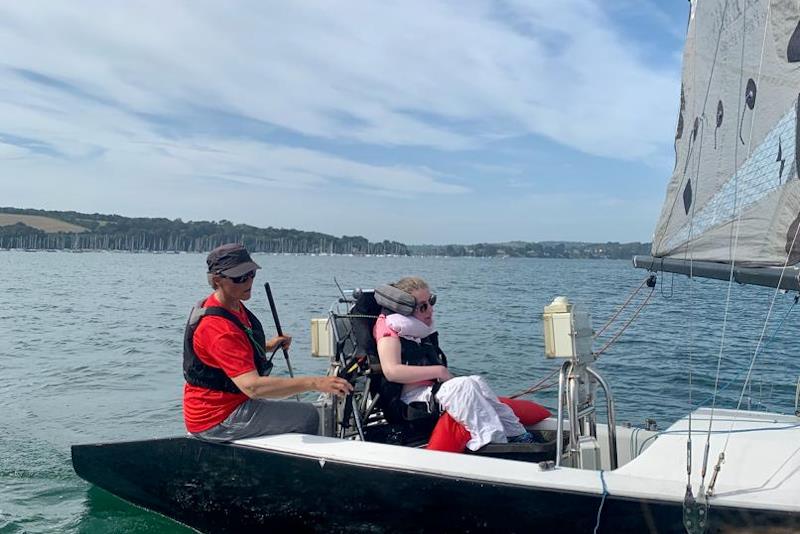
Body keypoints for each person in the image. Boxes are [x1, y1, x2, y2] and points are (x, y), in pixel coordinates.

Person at [183, 243, 352, 442]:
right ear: (218, 280)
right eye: (240, 278)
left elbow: (230, 351)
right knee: (308, 415)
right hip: (216, 418)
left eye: (251, 273)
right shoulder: (217, 327)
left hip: (230, 403)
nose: (248, 282)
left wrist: (269, 346)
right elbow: (253, 387)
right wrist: (315, 383)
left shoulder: (231, 304)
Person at [373, 276, 550, 453]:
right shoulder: (388, 328)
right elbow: (392, 371)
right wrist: (439, 371)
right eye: (423, 306)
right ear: (405, 309)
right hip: (408, 401)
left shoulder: (415, 330)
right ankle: (494, 443)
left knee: (475, 382)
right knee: (463, 386)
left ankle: (518, 435)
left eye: (431, 302)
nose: (430, 309)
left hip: (431, 392)